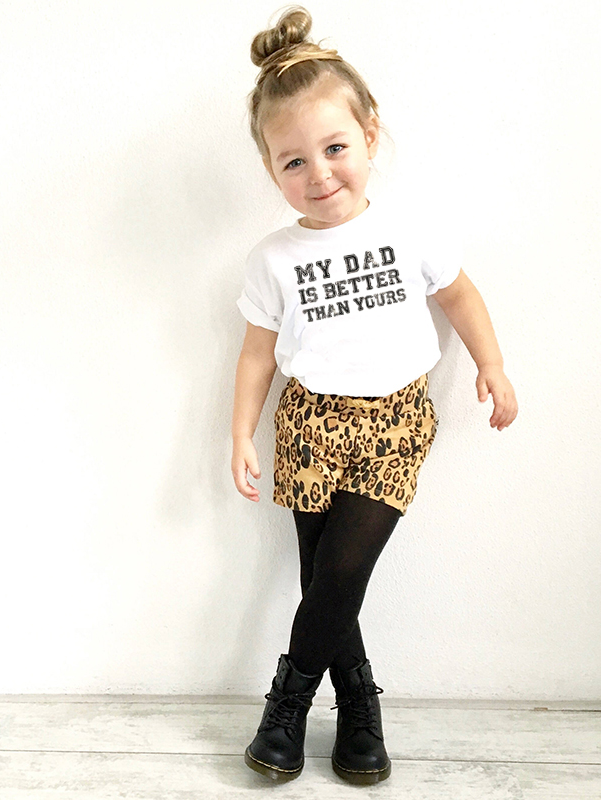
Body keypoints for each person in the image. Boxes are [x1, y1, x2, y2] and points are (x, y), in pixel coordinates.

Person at [230, 5, 518, 786]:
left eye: (335, 149)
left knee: (341, 573)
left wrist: (492, 365)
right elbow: (257, 354)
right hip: (309, 424)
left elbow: (460, 295)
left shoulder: (408, 228)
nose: (320, 174)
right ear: (271, 169)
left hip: (395, 420)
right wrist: (241, 432)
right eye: (294, 162)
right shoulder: (273, 258)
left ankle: (287, 706)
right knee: (323, 578)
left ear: (369, 134)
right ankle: (358, 704)